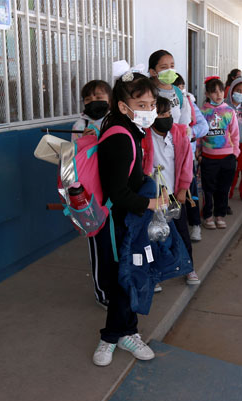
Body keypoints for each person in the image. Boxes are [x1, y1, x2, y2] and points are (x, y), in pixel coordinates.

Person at [91, 70, 167, 367]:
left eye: (152, 105)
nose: (149, 111)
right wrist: (152, 203)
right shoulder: (120, 138)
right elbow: (118, 192)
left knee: (131, 275)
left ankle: (128, 332)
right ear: (124, 106)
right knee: (122, 279)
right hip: (117, 222)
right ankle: (111, 337)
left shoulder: (130, 129)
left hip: (129, 219)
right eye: (142, 105)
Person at [142, 96, 199, 286]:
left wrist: (183, 188)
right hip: (153, 197)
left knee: (181, 232)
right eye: (160, 114)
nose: (166, 117)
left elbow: (187, 165)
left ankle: (189, 267)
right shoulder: (144, 137)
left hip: (174, 195)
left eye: (167, 113)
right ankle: (155, 273)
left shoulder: (179, 135)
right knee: (153, 235)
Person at [198, 76, 240, 230]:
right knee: (208, 189)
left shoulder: (229, 111)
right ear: (207, 94)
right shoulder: (202, 111)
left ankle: (220, 215)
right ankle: (208, 216)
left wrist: (235, 152)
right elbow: (199, 135)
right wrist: (198, 153)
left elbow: (235, 134)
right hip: (208, 157)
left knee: (223, 188)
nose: (218, 94)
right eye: (214, 92)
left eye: (221, 91)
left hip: (227, 157)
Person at [172, 74, 209, 242]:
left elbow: (204, 126)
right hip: (167, 158)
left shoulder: (189, 103)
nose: (180, 91)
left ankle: (195, 224)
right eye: (176, 87)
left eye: (181, 87)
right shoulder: (162, 104)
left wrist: (190, 132)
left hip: (187, 157)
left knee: (190, 191)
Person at [148, 50, 191, 126]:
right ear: (153, 72)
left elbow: (184, 122)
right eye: (164, 67)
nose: (169, 70)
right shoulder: (148, 93)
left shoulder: (178, 92)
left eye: (172, 66)